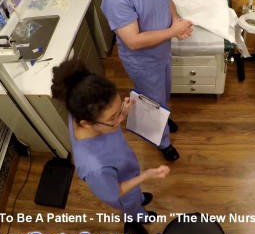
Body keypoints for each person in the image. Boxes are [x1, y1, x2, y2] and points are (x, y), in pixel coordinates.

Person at [102, 0, 193, 161]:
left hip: (163, 52)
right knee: (152, 100)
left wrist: (176, 21)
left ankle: (163, 114)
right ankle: (162, 142)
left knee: (163, 93)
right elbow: (133, 41)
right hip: (143, 61)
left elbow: (167, 0)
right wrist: (173, 31)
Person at [51, 58, 171, 222]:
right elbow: (116, 191)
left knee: (136, 196)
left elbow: (111, 118)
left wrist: (124, 110)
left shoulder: (81, 110)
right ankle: (139, 217)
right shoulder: (94, 167)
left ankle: (140, 199)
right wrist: (147, 175)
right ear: (87, 123)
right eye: (113, 117)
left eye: (119, 108)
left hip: (126, 168)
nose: (120, 119)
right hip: (123, 191)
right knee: (132, 206)